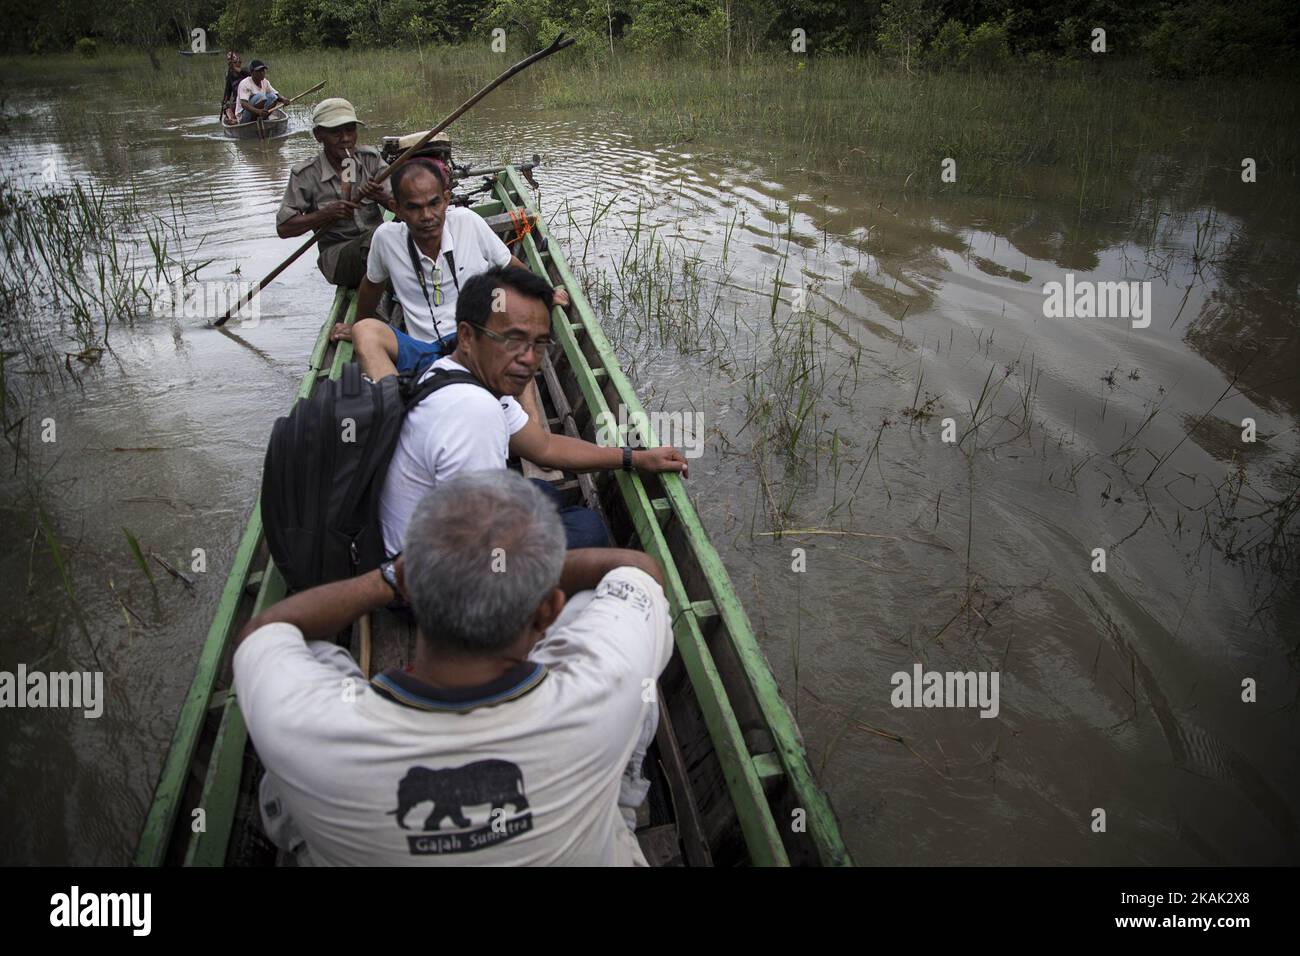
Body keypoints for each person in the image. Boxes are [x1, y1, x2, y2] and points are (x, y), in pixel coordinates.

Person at [234, 470, 673, 866]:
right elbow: (637, 569)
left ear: (412, 585)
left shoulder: (310, 728)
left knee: (305, 649)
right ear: (547, 610)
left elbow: (262, 630)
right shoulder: (602, 685)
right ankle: (621, 799)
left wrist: (386, 579)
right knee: (612, 632)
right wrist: (522, 570)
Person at [378, 264, 688, 554]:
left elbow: (544, 445)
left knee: (542, 490)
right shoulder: (475, 411)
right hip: (424, 579)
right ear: (466, 336)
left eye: (538, 343)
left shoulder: (450, 371)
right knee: (588, 529)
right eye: (512, 340)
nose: (529, 358)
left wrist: (635, 457)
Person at [328, 156, 571, 380]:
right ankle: (395, 404)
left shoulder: (467, 222)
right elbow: (372, 284)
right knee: (366, 332)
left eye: (434, 204)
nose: (427, 216)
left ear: (446, 200)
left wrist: (545, 293)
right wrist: (358, 324)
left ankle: (524, 419)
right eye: (414, 207)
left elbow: (510, 266)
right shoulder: (386, 238)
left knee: (512, 339)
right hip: (422, 350)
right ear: (396, 208)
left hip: (474, 343)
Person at [277, 98, 393, 288]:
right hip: (338, 256)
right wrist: (325, 214)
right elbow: (284, 228)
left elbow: (405, 207)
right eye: (335, 132)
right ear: (318, 135)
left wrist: (381, 197)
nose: (346, 138)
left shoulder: (370, 160)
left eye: (350, 130)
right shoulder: (306, 175)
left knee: (400, 234)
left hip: (378, 244)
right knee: (383, 239)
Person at [221, 51, 248, 125]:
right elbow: (228, 93)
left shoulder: (245, 72)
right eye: (233, 63)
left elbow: (245, 72)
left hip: (247, 100)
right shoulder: (230, 77)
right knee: (226, 106)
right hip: (237, 103)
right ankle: (233, 120)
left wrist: (233, 67)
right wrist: (225, 102)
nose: (236, 64)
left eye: (236, 62)